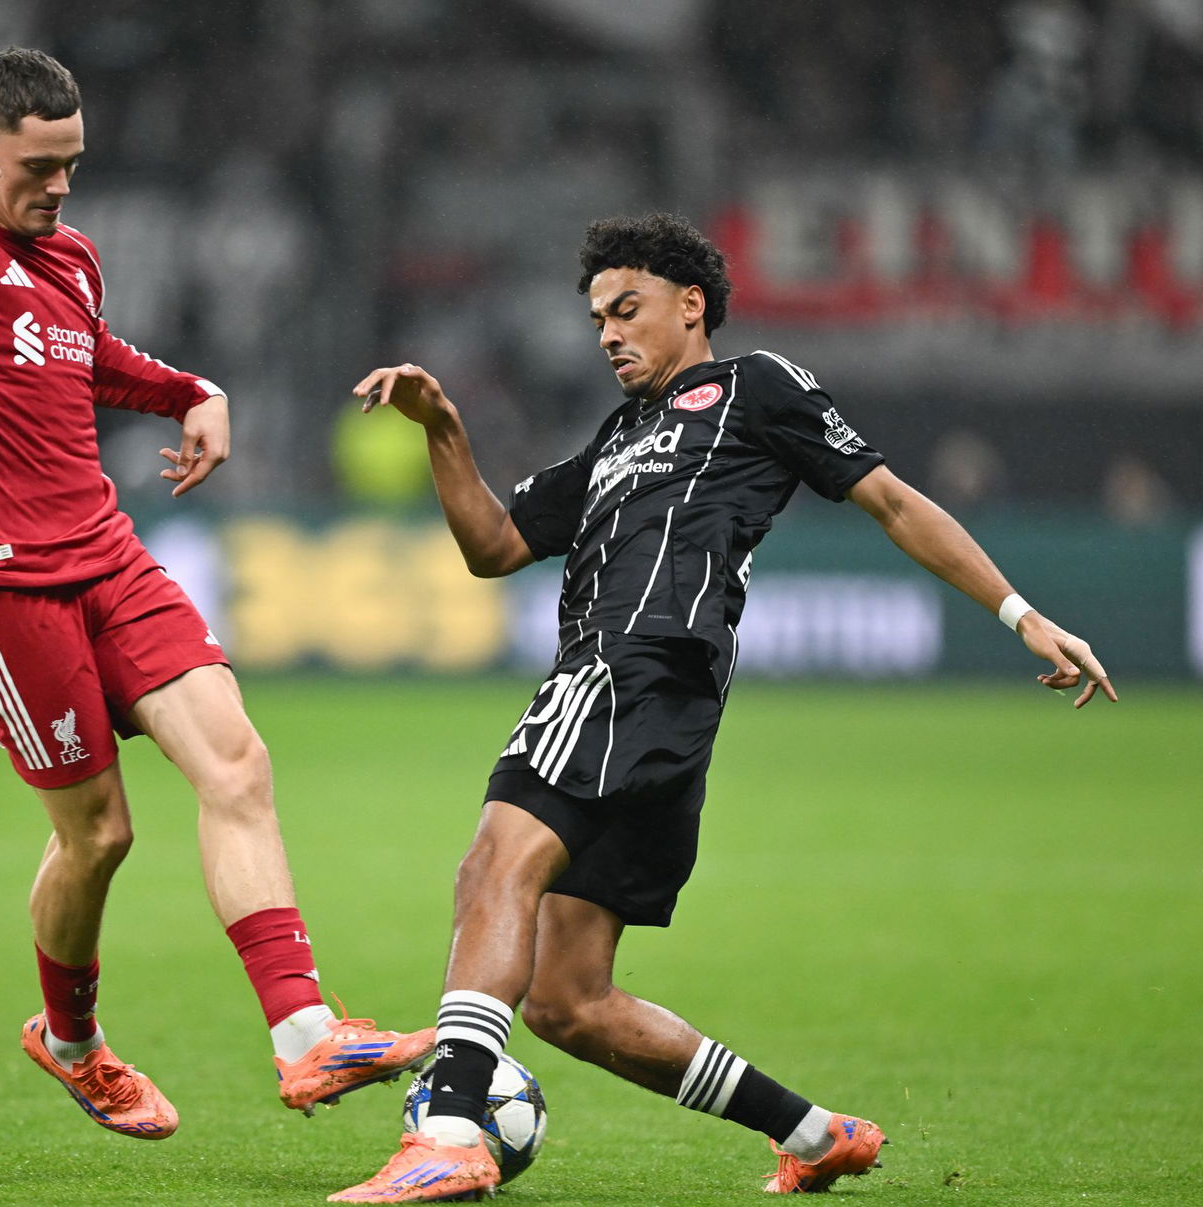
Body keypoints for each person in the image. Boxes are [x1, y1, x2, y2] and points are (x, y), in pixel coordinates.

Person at [331, 212, 1116, 1202]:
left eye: (628, 309)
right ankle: (813, 1131)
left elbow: (892, 501)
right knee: (568, 1002)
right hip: (659, 701)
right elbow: (492, 544)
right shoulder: (616, 439)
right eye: (595, 319)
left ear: (690, 304)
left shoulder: (754, 387)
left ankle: (447, 1128)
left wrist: (1017, 612)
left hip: (633, 665)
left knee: (495, 860)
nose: (608, 332)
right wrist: (444, 429)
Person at [0, 47, 431, 1140]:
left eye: (72, 163)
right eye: (37, 165)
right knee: (100, 835)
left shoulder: (71, 256)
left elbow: (82, 354)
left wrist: (191, 390)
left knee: (237, 760)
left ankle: (306, 1038)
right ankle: (69, 1042)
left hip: (106, 550)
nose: (58, 185)